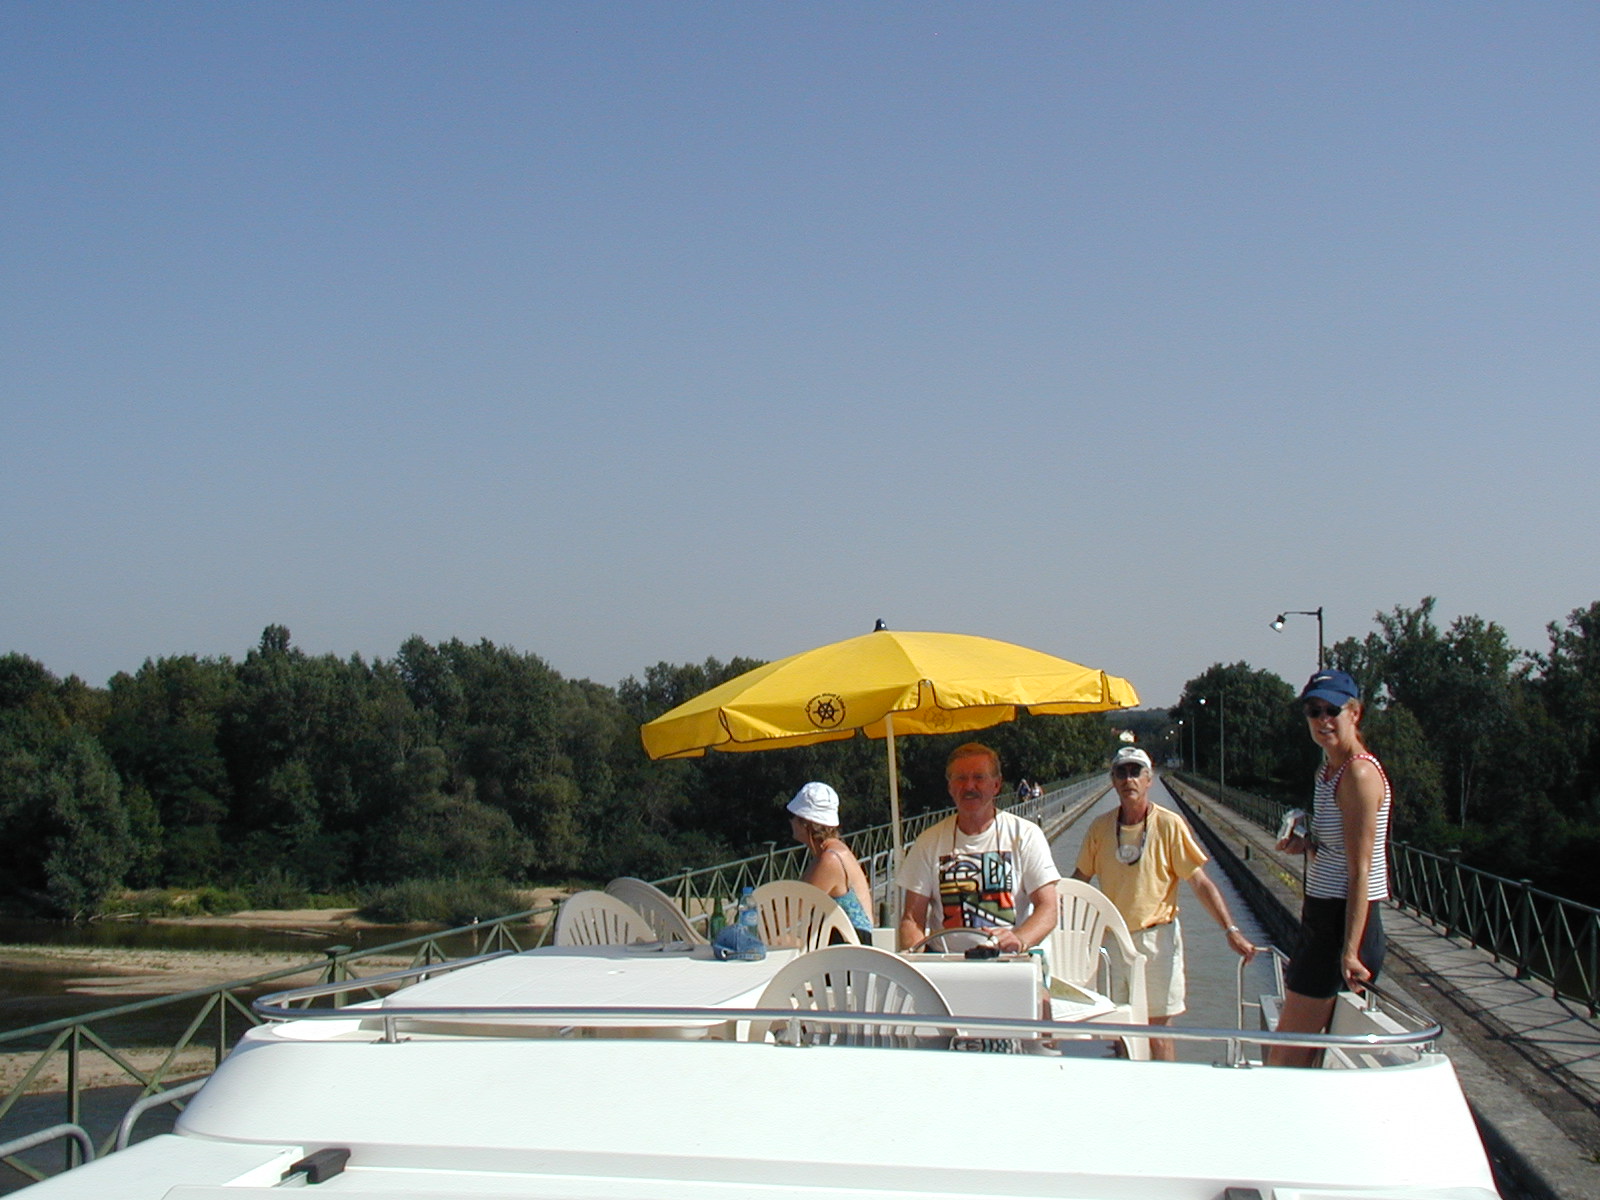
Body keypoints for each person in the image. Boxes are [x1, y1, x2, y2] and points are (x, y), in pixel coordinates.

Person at [1073, 746, 1256, 1061]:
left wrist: (1230, 928)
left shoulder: (1169, 825)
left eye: (1135, 772)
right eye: (1121, 772)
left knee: (1159, 1033)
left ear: (1149, 779)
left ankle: (1163, 1101)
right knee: (1122, 1034)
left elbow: (1199, 882)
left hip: (1157, 940)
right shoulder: (1100, 828)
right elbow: (1079, 882)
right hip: (1114, 942)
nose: (1128, 779)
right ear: (1112, 781)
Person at [1268, 669, 1393, 1068]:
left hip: (1341, 922)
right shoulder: (1328, 771)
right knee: (1298, 1053)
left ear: (1354, 713)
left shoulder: (1358, 772)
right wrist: (1306, 844)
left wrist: (1350, 952)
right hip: (1322, 915)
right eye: (1313, 711)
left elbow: (1362, 869)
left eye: (1331, 710)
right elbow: (1337, 849)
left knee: (1285, 1055)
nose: (1322, 720)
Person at [896, 742, 1060, 953]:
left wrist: (1018, 940)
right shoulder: (928, 842)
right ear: (950, 787)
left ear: (996, 785)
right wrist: (918, 961)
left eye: (979, 778)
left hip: (1006, 961)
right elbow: (911, 919)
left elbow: (1048, 909)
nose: (969, 786)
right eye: (961, 778)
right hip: (945, 963)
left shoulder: (1026, 835)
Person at [787, 782, 876, 940]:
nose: (791, 821)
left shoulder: (830, 860)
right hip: (849, 948)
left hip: (847, 952)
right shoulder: (831, 852)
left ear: (805, 823)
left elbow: (792, 914)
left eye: (794, 816)